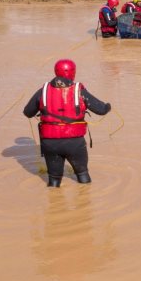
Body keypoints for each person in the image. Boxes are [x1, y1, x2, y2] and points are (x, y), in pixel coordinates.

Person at [23, 59, 112, 188]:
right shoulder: (79, 91)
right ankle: (86, 206)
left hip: (50, 144)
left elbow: (28, 112)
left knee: (53, 182)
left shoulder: (43, 91)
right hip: (75, 143)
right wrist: (108, 106)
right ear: (73, 73)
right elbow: (101, 110)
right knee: (83, 178)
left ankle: (54, 205)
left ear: (56, 72)